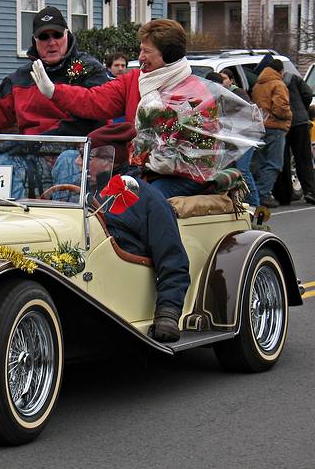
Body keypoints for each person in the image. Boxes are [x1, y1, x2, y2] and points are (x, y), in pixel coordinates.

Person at [29, 18, 215, 199]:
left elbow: (200, 150)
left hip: (181, 175)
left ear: (167, 55)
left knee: (143, 200)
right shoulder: (134, 79)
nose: (140, 57)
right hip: (139, 169)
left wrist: (155, 158)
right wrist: (55, 92)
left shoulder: (193, 94)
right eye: (140, 50)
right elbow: (95, 100)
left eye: (146, 51)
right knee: (90, 184)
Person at [82, 123, 190, 342]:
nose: (79, 163)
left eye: (88, 157)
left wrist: (168, 312)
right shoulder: (80, 193)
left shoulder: (147, 198)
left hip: (119, 286)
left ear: (108, 161)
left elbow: (172, 256)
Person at [0, 7, 108, 137]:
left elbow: (97, 114)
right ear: (34, 40)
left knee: (66, 164)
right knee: (5, 165)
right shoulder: (19, 79)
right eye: (44, 37)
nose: (52, 42)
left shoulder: (89, 69)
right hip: (29, 155)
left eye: (57, 34)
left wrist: (45, 141)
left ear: (67, 35)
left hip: (78, 154)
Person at [206, 71, 259, 208]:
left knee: (243, 170)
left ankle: (254, 205)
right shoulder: (210, 97)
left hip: (245, 137)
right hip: (230, 140)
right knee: (227, 172)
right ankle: (236, 203)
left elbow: (247, 114)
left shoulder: (235, 95)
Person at [251, 59, 292, 208]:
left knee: (260, 162)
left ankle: (255, 193)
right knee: (275, 163)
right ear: (280, 71)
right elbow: (280, 108)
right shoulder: (278, 84)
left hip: (260, 126)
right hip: (275, 126)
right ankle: (263, 194)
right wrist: (288, 116)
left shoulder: (258, 84)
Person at [272, 70, 315, 205]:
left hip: (281, 123)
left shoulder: (269, 82)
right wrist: (302, 108)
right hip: (300, 122)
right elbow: (308, 94)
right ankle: (310, 191)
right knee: (304, 158)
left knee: (284, 160)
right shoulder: (293, 78)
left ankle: (285, 195)